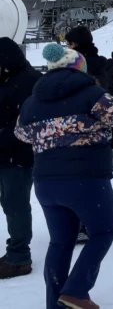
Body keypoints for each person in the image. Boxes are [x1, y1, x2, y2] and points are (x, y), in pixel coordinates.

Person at [15, 43, 113, 308]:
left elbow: (21, 134)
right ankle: (76, 291)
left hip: (46, 182)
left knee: (60, 242)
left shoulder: (31, 102)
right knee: (104, 230)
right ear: (79, 67)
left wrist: (52, 132)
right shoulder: (90, 92)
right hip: (85, 178)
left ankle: (56, 302)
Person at [0, 38, 41, 280]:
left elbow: (25, 124)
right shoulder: (9, 79)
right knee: (10, 203)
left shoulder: (27, 82)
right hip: (7, 154)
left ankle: (19, 258)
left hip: (19, 155)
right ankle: (15, 250)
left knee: (15, 205)